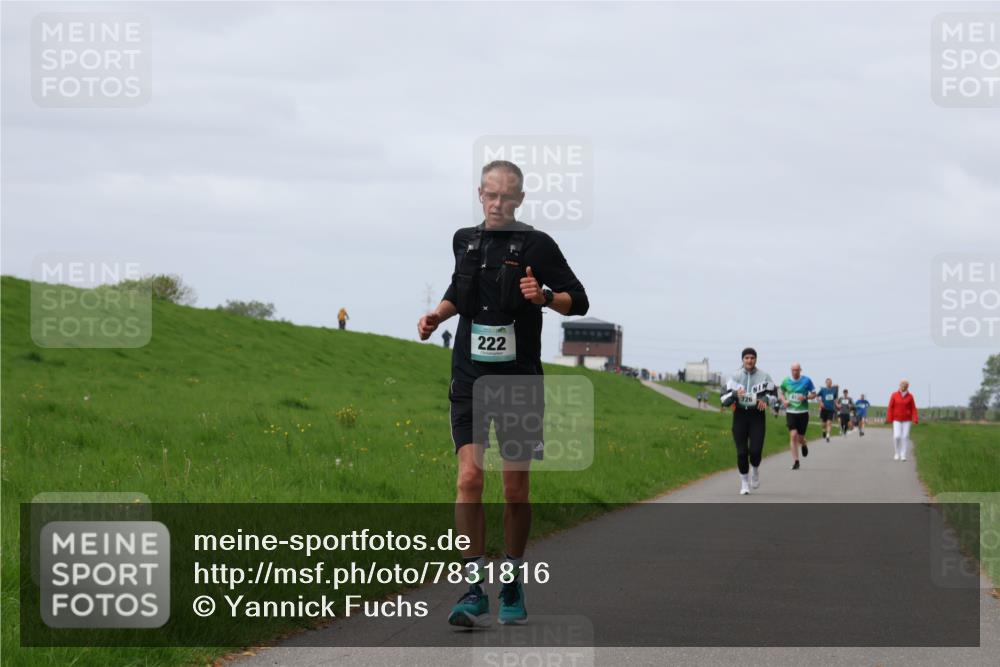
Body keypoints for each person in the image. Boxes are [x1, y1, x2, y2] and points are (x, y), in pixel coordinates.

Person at [417, 160, 588, 627]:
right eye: (490, 195)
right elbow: (461, 290)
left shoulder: (538, 244)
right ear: (479, 194)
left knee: (514, 489)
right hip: (469, 376)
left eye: (506, 197)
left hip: (518, 380)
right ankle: (473, 587)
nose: (497, 203)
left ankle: (512, 578)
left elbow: (580, 299)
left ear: (519, 200)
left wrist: (545, 298)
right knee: (470, 478)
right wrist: (439, 315)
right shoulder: (464, 241)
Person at [720, 348, 776, 495]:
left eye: (752, 358)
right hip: (740, 415)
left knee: (756, 451)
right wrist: (733, 394)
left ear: (756, 359)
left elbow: (774, 395)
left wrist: (766, 399)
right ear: (742, 360)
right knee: (742, 452)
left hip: (757, 416)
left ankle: (755, 470)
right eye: (746, 358)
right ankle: (744, 483)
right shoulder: (734, 377)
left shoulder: (764, 376)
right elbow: (723, 399)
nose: (749, 360)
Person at [779, 363, 817, 470]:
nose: (795, 372)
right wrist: (784, 401)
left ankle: (804, 444)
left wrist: (805, 397)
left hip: (803, 412)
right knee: (793, 435)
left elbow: (814, 394)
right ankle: (796, 461)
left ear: (800, 370)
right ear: (791, 370)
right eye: (793, 370)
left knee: (800, 437)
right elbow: (781, 392)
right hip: (791, 412)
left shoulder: (807, 380)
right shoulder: (786, 381)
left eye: (797, 370)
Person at [886, 380, 919, 461]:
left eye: (905, 385)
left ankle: (903, 454)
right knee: (897, 436)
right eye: (902, 385)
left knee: (905, 436)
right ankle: (897, 453)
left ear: (907, 386)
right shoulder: (894, 395)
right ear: (899, 385)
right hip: (896, 419)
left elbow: (913, 408)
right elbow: (890, 407)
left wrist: (915, 418)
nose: (903, 387)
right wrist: (889, 418)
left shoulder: (910, 396)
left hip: (907, 420)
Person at [816, 378, 839, 442]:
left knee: (829, 423)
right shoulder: (823, 390)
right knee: (823, 424)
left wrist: (837, 404)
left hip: (831, 409)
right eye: (828, 382)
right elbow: (817, 396)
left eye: (830, 382)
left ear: (831, 383)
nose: (829, 383)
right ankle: (824, 431)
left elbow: (835, 399)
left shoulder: (834, 390)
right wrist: (820, 403)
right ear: (826, 383)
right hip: (824, 409)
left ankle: (828, 435)